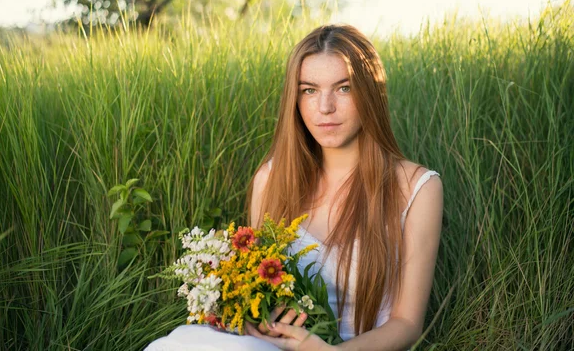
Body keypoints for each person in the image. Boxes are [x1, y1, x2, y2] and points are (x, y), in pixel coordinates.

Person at [145, 24, 443, 351]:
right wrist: (250, 320)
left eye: (344, 89)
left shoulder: (417, 188)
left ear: (370, 93)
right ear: (295, 98)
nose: (325, 107)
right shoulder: (272, 178)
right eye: (309, 90)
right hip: (269, 346)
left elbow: (408, 323)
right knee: (177, 343)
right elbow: (253, 286)